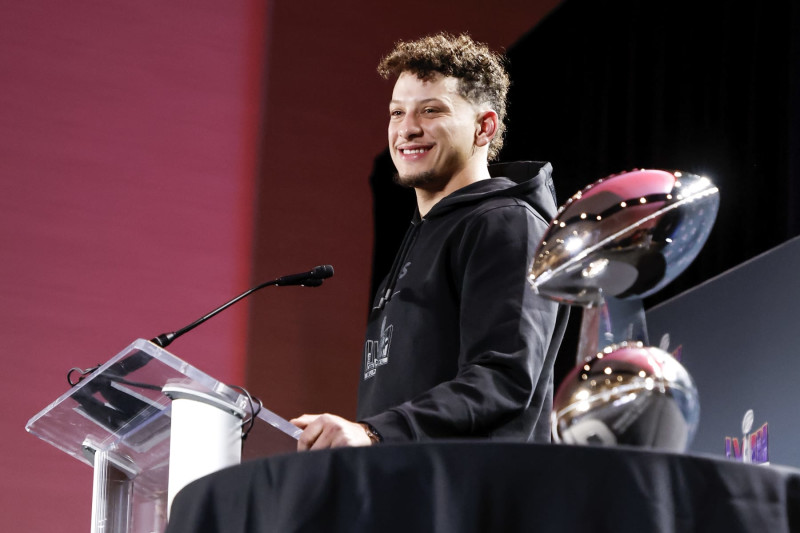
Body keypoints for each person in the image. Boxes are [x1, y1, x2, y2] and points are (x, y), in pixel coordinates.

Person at [291, 33, 568, 449]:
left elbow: (503, 378)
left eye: (431, 110)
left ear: (484, 127)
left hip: (473, 501)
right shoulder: (421, 237)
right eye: (396, 113)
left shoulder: (506, 223)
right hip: (408, 493)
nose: (407, 129)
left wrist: (373, 432)